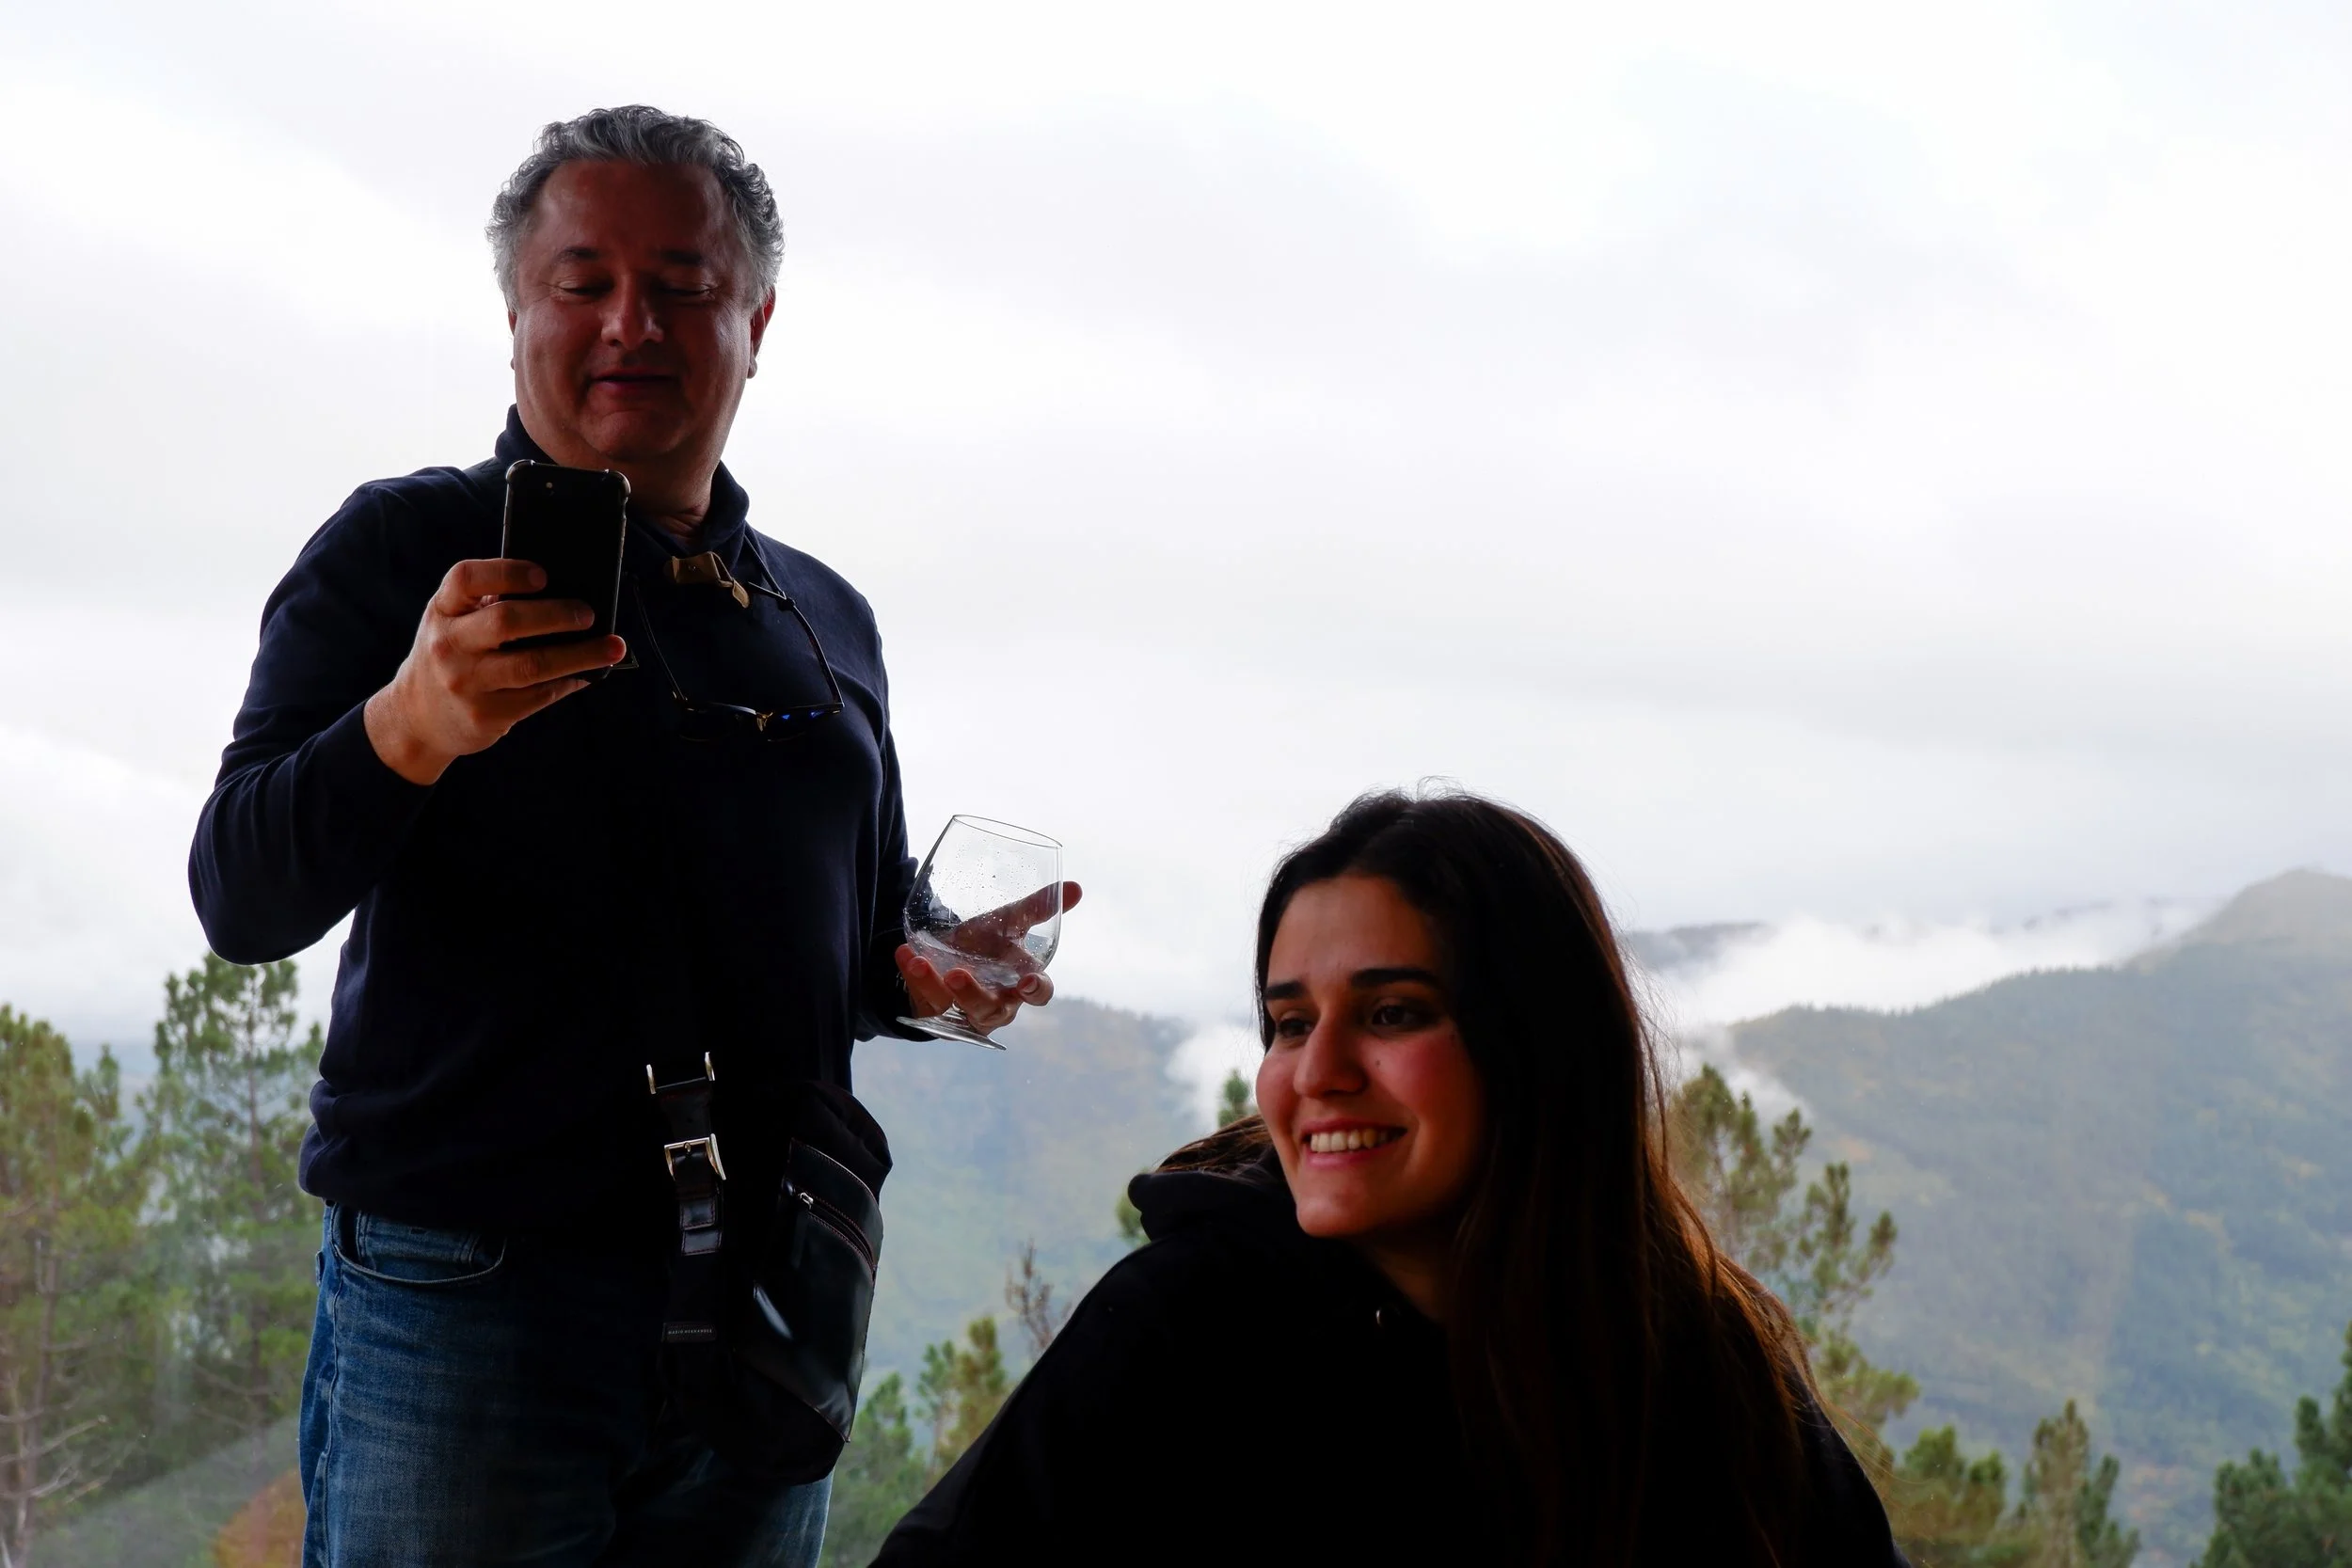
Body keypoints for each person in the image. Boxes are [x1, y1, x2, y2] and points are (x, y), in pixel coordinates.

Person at [189, 106, 1069, 1568]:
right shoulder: (408, 553)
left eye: (684, 284)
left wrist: (916, 969)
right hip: (473, 1288)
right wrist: (410, 723)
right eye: (583, 280)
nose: (630, 322)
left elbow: (832, 940)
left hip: (768, 1298)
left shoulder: (821, 614)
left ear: (758, 318)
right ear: (516, 310)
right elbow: (240, 892)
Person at [873, 789, 1906, 1567]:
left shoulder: (1696, 1362)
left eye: (1391, 1011)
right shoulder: (1187, 1334)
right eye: (1287, 1022)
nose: (1316, 1072)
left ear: (1536, 1045)